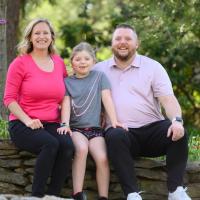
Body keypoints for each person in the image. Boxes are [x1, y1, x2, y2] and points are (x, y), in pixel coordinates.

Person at [94, 24, 191, 200]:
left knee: (180, 132)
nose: (122, 43)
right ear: (112, 43)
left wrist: (177, 120)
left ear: (137, 44)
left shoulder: (153, 67)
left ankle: (175, 190)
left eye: (128, 39)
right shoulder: (98, 70)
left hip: (151, 130)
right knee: (115, 136)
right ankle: (132, 194)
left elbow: (168, 99)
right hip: (122, 134)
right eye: (118, 39)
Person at [3, 18, 74, 198]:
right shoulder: (19, 63)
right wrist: (28, 120)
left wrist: (65, 123)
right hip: (22, 123)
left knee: (66, 146)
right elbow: (9, 99)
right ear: (30, 37)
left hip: (51, 122)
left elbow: (65, 96)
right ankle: (36, 195)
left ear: (51, 37)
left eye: (45, 33)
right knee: (50, 144)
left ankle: (53, 195)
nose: (41, 36)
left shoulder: (58, 62)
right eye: (37, 33)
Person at [57, 42, 124, 200]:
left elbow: (107, 99)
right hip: (76, 129)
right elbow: (65, 104)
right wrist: (65, 124)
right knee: (81, 150)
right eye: (78, 59)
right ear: (72, 62)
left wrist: (114, 121)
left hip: (95, 130)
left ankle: (103, 196)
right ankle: (78, 194)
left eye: (87, 58)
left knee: (102, 157)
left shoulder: (100, 77)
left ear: (94, 62)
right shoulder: (67, 82)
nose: (82, 62)